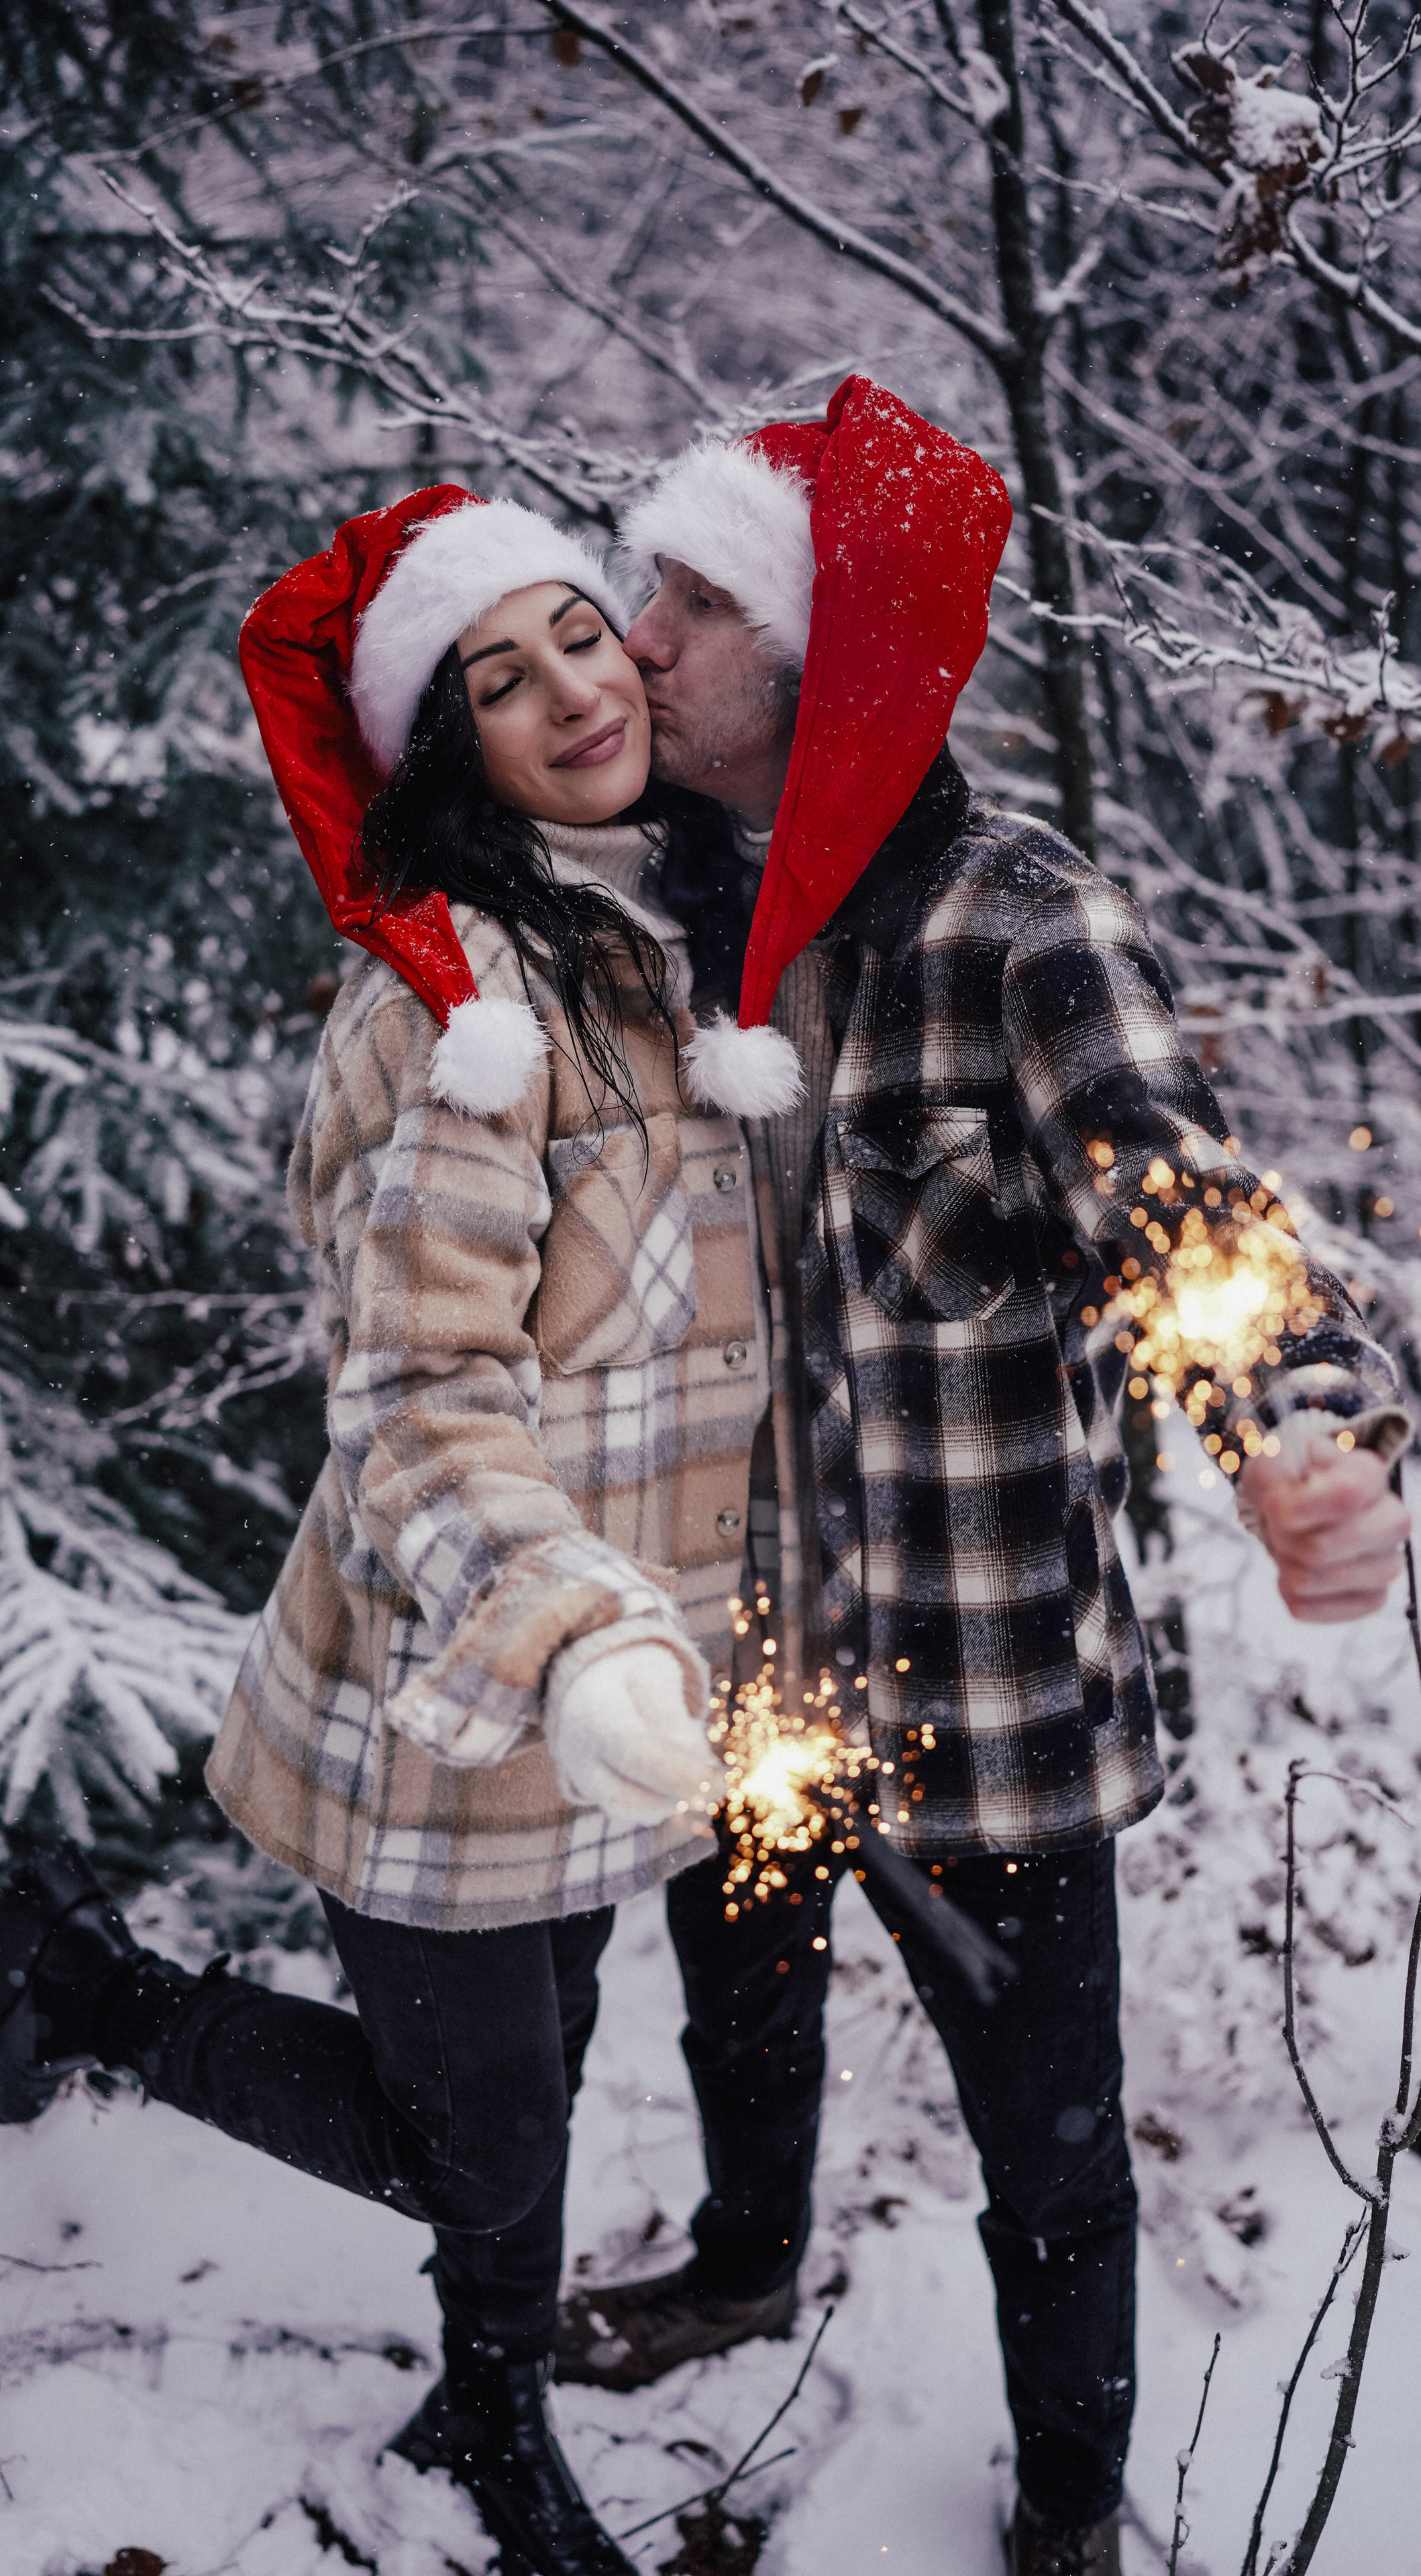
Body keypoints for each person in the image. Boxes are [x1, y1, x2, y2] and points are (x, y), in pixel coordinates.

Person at [545, 376, 1412, 2576]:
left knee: (1050, 2149)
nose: (633, 641)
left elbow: (1192, 1222)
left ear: (827, 661)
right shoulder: (662, 918)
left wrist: (1304, 1436)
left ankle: (1069, 2508)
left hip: (985, 1694)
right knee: (731, 1987)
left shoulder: (1021, 920)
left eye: (688, 604)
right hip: (746, 1659)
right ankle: (745, 2262)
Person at [0, 486, 776, 2576]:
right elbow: (417, 1395)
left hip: (616, 1685)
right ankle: (117, 2010)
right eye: (500, 678)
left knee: (543, 2080)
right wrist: (575, 1632)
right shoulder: (462, 1012)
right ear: (451, 748)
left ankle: (469, 2387)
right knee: (477, 2147)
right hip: (460, 1679)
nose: (575, 689)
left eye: (585, 634)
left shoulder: (699, 946)